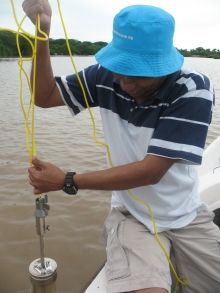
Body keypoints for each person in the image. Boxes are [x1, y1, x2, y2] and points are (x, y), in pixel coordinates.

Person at [23, 1, 220, 292]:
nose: (125, 82)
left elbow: (151, 172)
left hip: (187, 215)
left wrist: (67, 180)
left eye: (138, 73)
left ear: (164, 65)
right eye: (120, 69)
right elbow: (44, 95)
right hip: (131, 216)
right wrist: (42, 33)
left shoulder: (192, 89)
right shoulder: (105, 76)